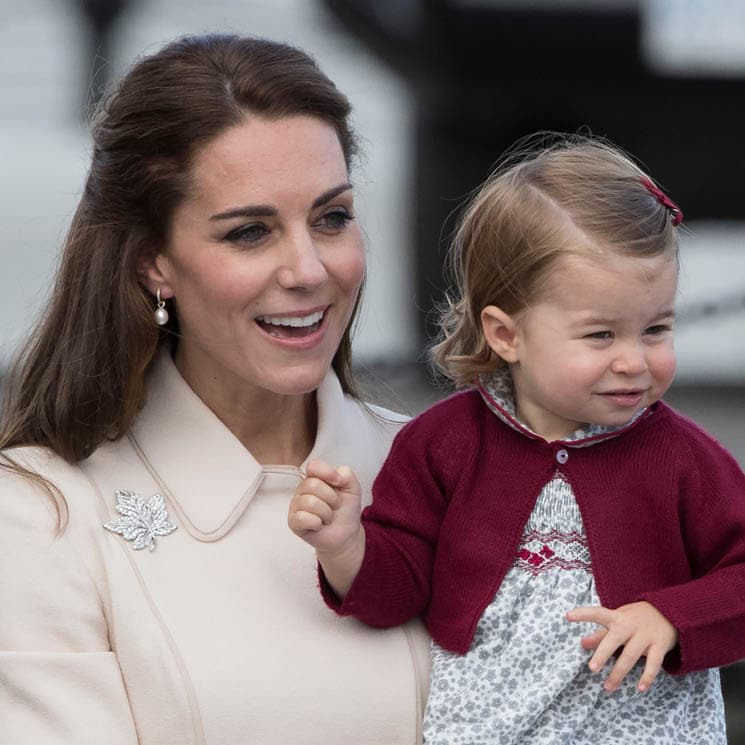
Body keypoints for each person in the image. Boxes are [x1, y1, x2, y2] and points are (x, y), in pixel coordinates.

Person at [0, 34, 430, 745]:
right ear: (152, 263)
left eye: (331, 218)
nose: (307, 269)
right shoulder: (41, 516)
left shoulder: (448, 469)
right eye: (249, 233)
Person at [288, 136, 745, 744]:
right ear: (506, 335)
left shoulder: (682, 458)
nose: (635, 361)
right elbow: (397, 593)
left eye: (656, 328)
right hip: (489, 726)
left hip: (648, 726)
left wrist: (671, 616)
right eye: (601, 335)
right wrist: (345, 547)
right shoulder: (443, 445)